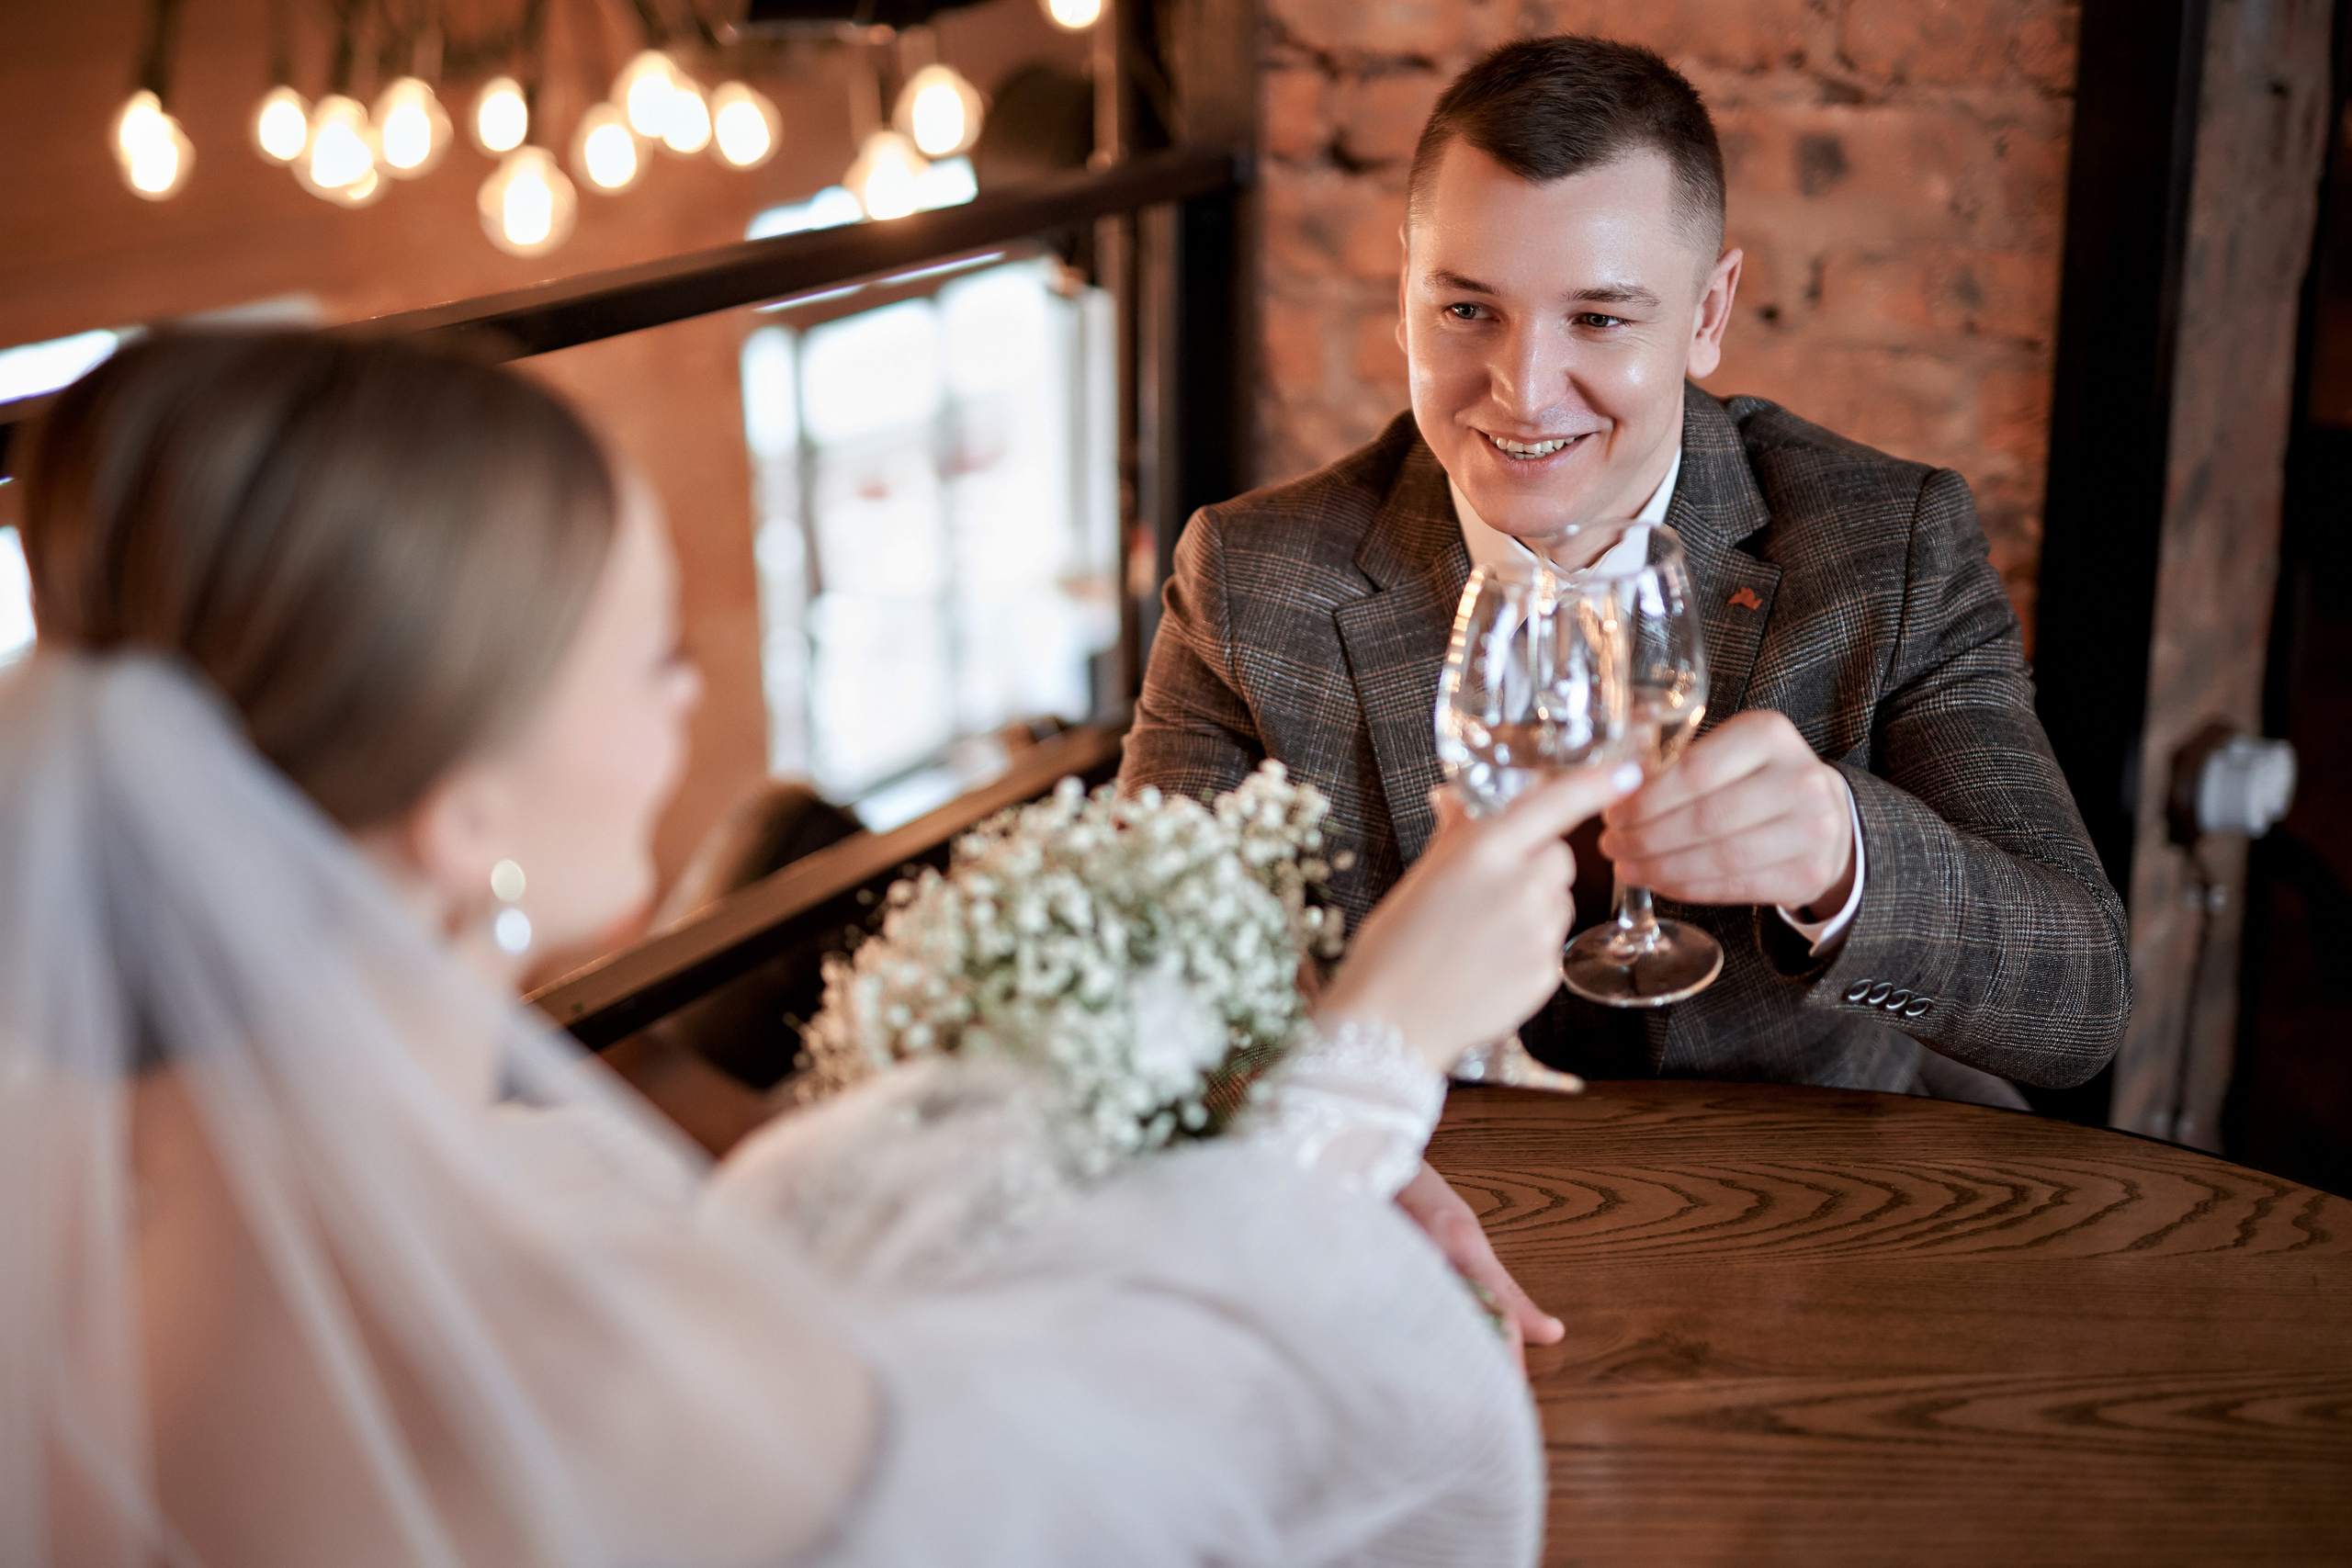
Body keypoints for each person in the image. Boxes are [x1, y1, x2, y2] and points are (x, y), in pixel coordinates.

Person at [0, 330, 1645, 1566]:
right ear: (460, 811)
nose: (688, 698)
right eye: (648, 654)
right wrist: (1374, 1052)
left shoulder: (126, 1230)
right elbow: (1105, 1493)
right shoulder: (532, 1355)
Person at [1122, 36, 2132, 1348]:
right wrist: (1335, 1139)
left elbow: (2081, 1001)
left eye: (1599, 319)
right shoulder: (1248, 578)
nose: (1522, 389)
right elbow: (1132, 1001)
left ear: (1707, 313)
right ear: (1404, 290)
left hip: (1825, 1242)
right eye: (1466, 310)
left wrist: (1847, 856)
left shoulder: (1887, 544)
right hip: (1425, 1251)